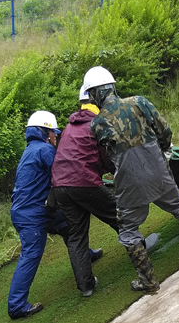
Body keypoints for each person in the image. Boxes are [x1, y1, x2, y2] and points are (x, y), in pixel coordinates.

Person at [85, 66, 179, 292]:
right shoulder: (139, 101)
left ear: (95, 94)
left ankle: (149, 281)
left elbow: (109, 154)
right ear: (112, 87)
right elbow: (165, 130)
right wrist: (164, 151)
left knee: (128, 230)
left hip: (129, 181)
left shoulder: (96, 124)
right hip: (158, 168)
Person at [52, 85, 158, 297]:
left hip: (60, 187)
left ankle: (86, 286)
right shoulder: (96, 124)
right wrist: (126, 173)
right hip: (84, 182)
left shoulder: (69, 127)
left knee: (76, 236)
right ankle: (142, 249)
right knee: (120, 217)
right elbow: (108, 156)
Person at [7, 110, 101, 319]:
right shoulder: (44, 150)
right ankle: (16, 305)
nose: (56, 137)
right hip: (32, 215)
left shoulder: (31, 150)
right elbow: (64, 174)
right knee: (31, 254)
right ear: (44, 132)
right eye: (53, 133)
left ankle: (87, 256)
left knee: (69, 227)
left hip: (38, 209)